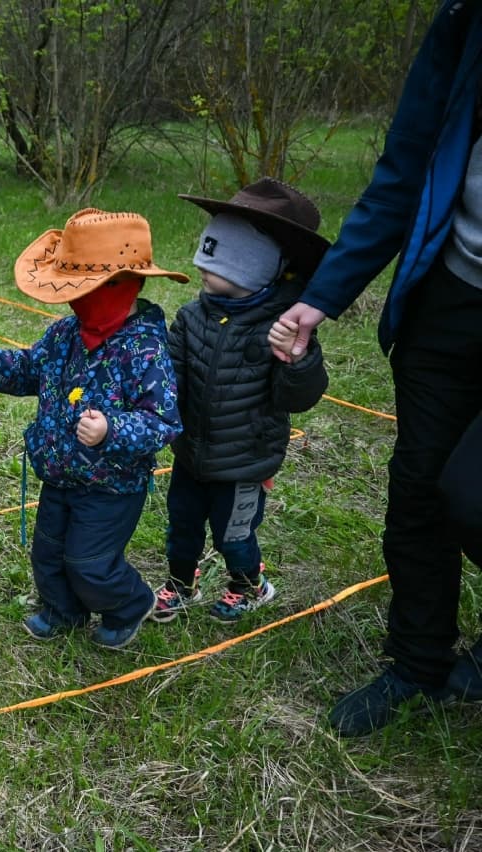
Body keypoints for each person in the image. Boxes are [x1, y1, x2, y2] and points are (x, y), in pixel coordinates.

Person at [270, 0, 482, 736]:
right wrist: (321, 297)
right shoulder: (465, 22)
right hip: (449, 294)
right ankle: (418, 662)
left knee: (473, 494)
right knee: (419, 485)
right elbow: (405, 168)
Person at [0, 208, 185, 649]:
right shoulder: (65, 335)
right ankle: (63, 611)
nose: (77, 301)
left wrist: (113, 429)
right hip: (58, 473)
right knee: (49, 555)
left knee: (89, 561)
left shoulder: (145, 350)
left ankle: (130, 602)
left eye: (86, 290)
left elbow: (163, 421)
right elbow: (26, 370)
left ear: (125, 285)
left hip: (112, 485)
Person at [151, 179, 331, 624]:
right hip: (191, 454)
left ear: (256, 268)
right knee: (182, 527)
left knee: (235, 535)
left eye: (218, 265)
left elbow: (300, 397)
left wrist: (296, 360)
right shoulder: (192, 317)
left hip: (245, 461)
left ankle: (248, 585)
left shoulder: (284, 327)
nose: (203, 272)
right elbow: (171, 380)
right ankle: (179, 582)